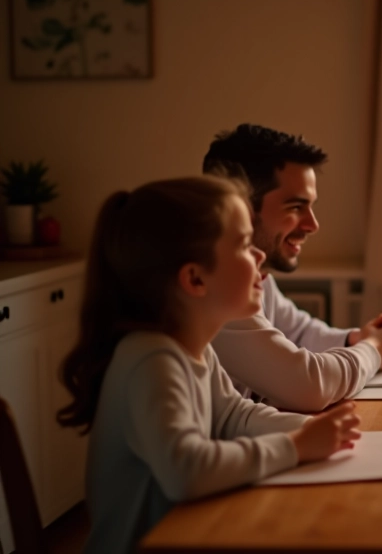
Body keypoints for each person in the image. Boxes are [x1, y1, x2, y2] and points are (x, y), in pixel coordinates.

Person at [57, 177, 362, 554]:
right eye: (243, 245)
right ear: (195, 278)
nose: (260, 256)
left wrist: (313, 429)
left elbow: (235, 416)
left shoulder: (191, 348)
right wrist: (297, 446)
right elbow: (186, 470)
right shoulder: (152, 359)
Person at [202, 124, 382, 412]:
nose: (313, 225)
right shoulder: (214, 287)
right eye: (296, 207)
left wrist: (356, 339)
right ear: (239, 207)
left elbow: (296, 332)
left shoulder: (256, 272)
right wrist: (373, 350)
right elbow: (308, 386)